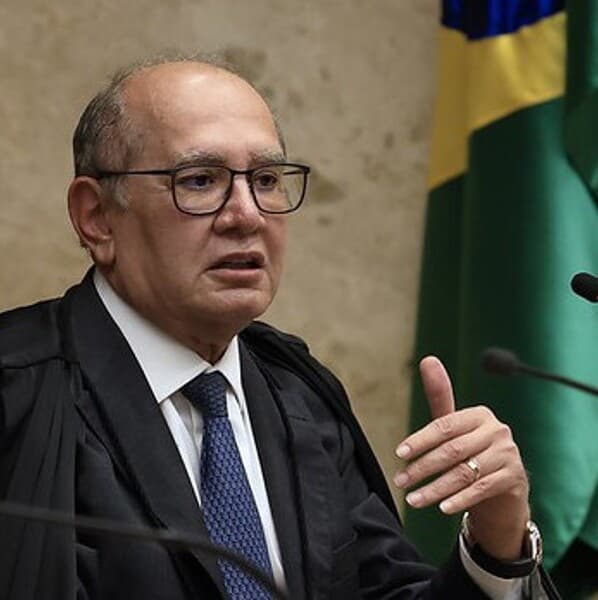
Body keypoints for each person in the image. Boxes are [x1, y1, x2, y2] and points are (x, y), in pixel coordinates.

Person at [0, 55, 558, 599]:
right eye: (199, 181)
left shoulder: (299, 393)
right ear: (96, 216)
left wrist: (496, 544)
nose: (247, 215)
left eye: (266, 180)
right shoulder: (18, 393)